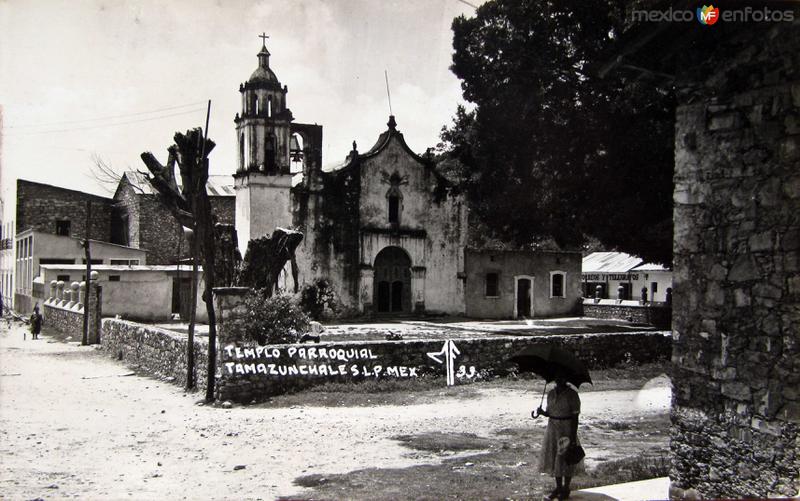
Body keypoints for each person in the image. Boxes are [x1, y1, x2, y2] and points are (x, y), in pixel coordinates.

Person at [535, 371, 584, 500]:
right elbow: (550, 412)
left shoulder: (572, 395)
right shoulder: (551, 394)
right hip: (553, 429)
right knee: (555, 457)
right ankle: (558, 487)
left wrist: (572, 437)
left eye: (562, 377)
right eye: (557, 377)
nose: (559, 379)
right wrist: (542, 412)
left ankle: (566, 488)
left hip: (566, 428)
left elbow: (575, 417)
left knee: (566, 458)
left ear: (566, 378)